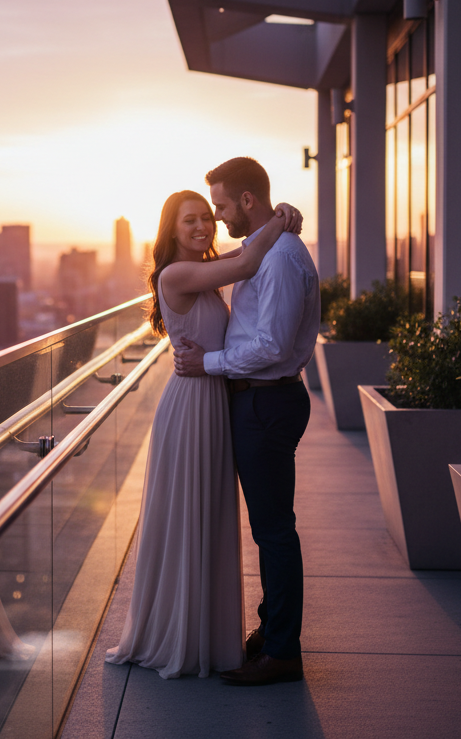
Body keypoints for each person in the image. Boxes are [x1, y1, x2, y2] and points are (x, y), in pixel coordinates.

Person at [106, 188, 302, 679]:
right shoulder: (177, 274)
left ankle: (206, 631)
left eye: (206, 218)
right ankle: (178, 633)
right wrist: (280, 219)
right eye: (190, 220)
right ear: (171, 230)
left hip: (214, 398)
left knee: (209, 516)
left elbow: (241, 255)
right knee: (189, 514)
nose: (202, 226)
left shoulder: (206, 269)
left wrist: (278, 218)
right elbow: (246, 262)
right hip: (191, 404)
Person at [172, 157, 320, 686]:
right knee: (269, 527)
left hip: (266, 403)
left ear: (247, 200)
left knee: (274, 531)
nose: (217, 217)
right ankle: (271, 631)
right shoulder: (269, 247)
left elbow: (272, 346)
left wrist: (207, 363)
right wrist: (282, 217)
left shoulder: (278, 258)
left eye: (220, 206)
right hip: (260, 401)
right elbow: (239, 261)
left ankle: (281, 652)